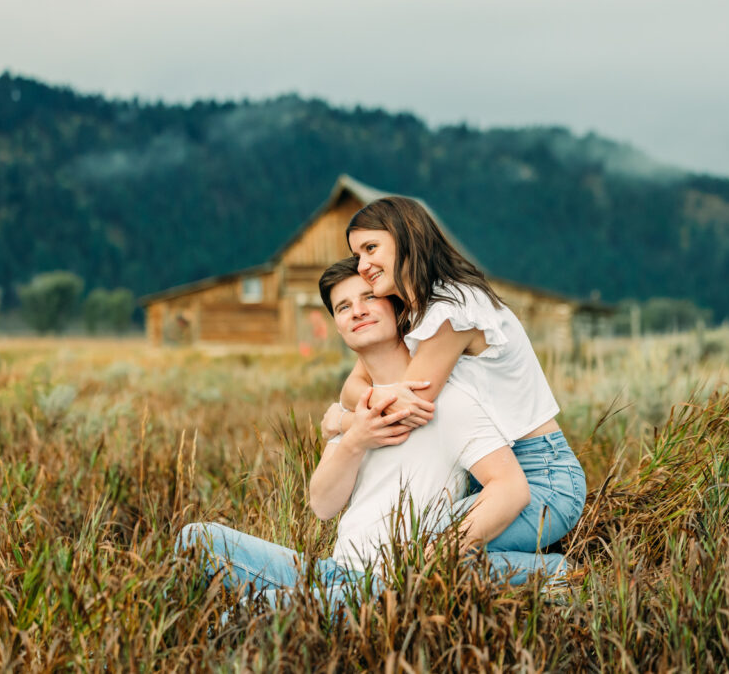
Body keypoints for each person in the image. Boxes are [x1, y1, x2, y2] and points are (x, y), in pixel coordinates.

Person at [176, 259, 568, 608]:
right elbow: (323, 505)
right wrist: (354, 438)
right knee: (197, 539)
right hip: (334, 571)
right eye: (343, 307)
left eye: (367, 298)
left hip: (385, 584)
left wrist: (428, 561)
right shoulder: (354, 410)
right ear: (338, 326)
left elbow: (508, 486)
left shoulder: (444, 399)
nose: (356, 311)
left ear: (398, 308)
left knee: (249, 616)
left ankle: (547, 574)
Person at [322, 196, 586, 554]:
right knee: (403, 550)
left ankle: (556, 576)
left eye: (371, 249)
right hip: (489, 477)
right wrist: (350, 410)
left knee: (416, 555)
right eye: (358, 256)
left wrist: (343, 422)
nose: (363, 265)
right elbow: (356, 384)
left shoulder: (452, 310)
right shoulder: (417, 312)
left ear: (407, 238)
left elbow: (405, 408)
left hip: (542, 478)